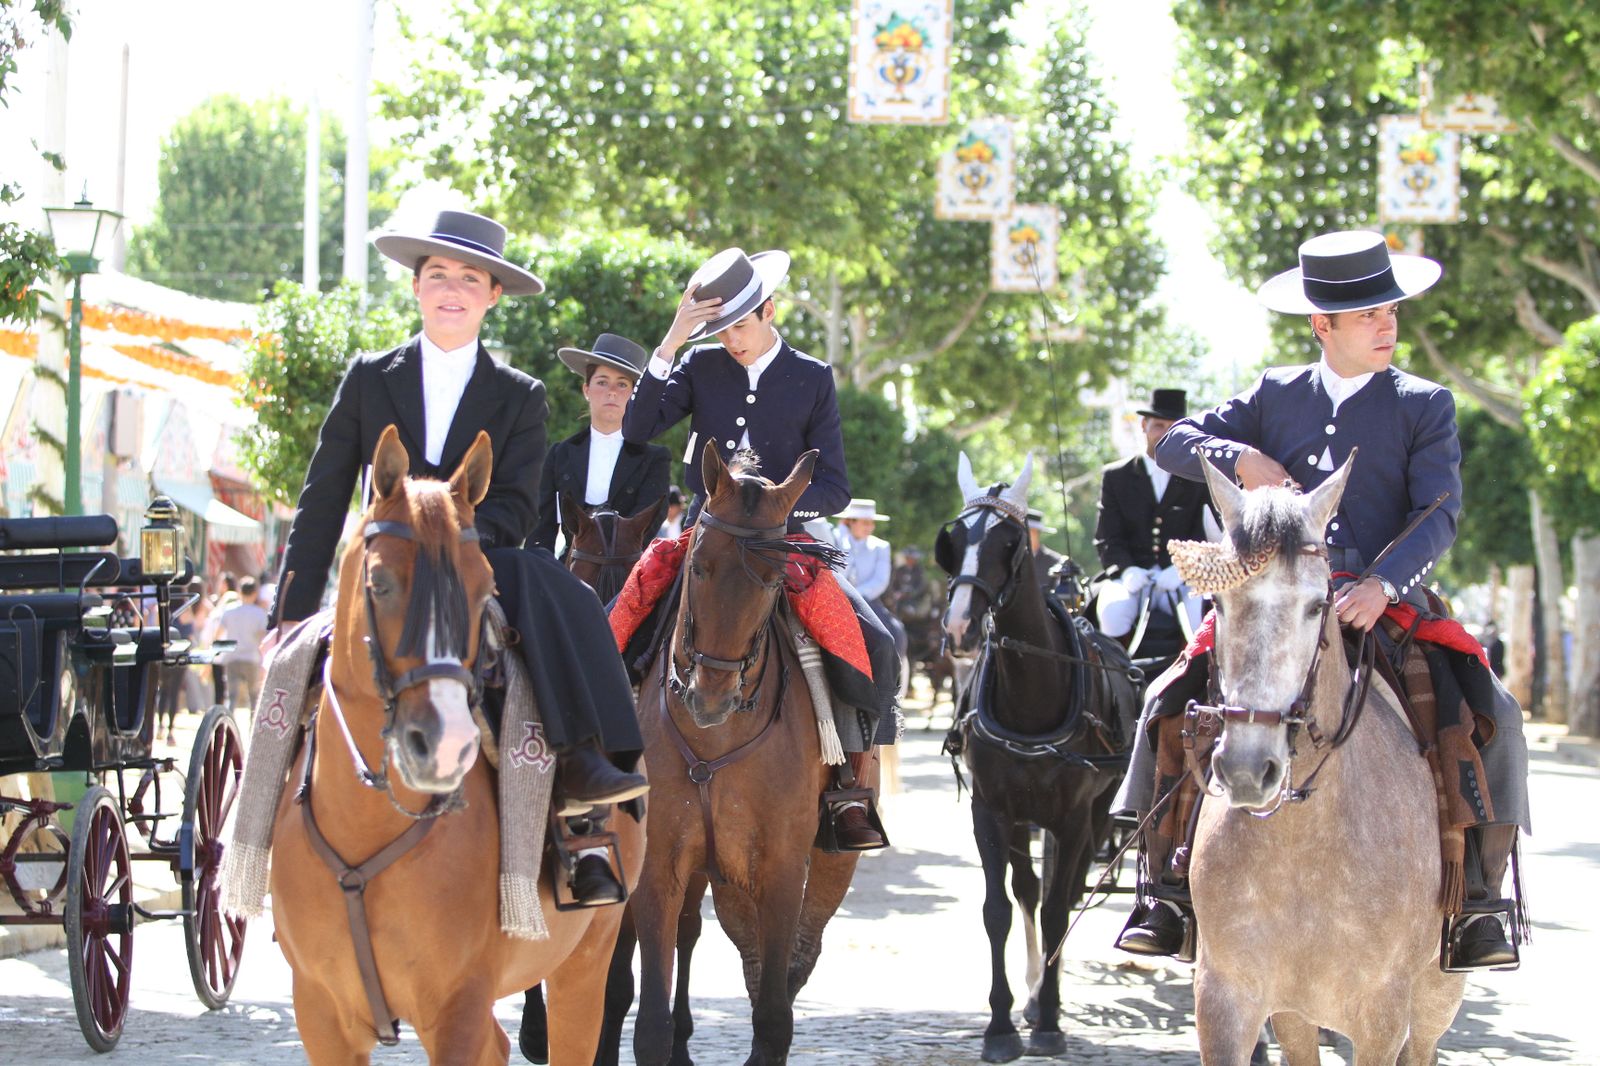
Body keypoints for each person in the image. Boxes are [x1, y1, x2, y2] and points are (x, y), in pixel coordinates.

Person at [1112, 230, 1529, 971]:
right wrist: (1236, 455)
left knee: (1493, 711)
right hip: (1272, 600)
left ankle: (1481, 905)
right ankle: (1166, 889)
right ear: (1322, 326)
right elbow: (1174, 442)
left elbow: (1440, 511)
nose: (1387, 325)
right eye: (1369, 315)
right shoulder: (1274, 393)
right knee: (1167, 699)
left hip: (1380, 598)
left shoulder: (1424, 404)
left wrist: (1382, 584)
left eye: (1390, 311)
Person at [269, 208, 646, 906]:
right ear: (416, 287)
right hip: (388, 562)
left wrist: (449, 528)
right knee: (288, 666)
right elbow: (323, 498)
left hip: (478, 553)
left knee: (565, 593)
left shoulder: (521, 395)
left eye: (469, 279)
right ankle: (256, 828)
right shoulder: (367, 378)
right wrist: (287, 613)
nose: (452, 289)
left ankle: (585, 780)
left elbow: (518, 504)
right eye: (438, 275)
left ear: (492, 295)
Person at [616, 246, 899, 850]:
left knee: (875, 641)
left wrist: (774, 506)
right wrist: (672, 340)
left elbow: (836, 486)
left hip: (784, 541)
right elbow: (638, 429)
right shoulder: (697, 367)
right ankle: (605, 762)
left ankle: (851, 786)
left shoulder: (812, 377)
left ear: (769, 310)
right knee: (622, 617)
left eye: (739, 326)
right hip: (705, 538)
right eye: (719, 330)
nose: (730, 340)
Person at [529, 333, 670, 556]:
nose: (612, 391)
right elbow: (541, 526)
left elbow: (647, 526)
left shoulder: (654, 459)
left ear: (635, 394)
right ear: (586, 390)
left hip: (627, 573)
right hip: (569, 571)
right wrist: (540, 575)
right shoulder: (561, 454)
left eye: (622, 384)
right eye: (602, 382)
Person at [1091, 389, 1212, 641]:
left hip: (1181, 578)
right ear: (1144, 425)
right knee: (1112, 612)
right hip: (1133, 577)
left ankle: (1201, 679)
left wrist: (1184, 569)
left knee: (1202, 619)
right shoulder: (1116, 476)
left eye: (1174, 428)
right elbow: (1108, 537)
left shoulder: (1199, 476)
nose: (1165, 435)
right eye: (1158, 426)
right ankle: (1113, 679)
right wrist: (1126, 570)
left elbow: (1207, 533)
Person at [836, 498, 909, 665]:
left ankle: (892, 677)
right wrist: (843, 537)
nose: (870, 527)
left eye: (871, 523)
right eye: (865, 522)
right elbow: (838, 572)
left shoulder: (881, 546)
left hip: (867, 600)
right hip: (837, 598)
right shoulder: (837, 540)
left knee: (894, 633)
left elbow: (880, 581)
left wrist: (855, 597)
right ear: (850, 522)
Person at [218, 576, 270, 713]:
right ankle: (252, 728)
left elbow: (218, 634)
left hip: (231, 656)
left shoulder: (229, 611)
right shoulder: (260, 614)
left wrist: (217, 652)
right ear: (255, 593)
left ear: (239, 591)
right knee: (253, 697)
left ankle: (228, 725)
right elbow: (262, 638)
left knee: (231, 696)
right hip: (251, 658)